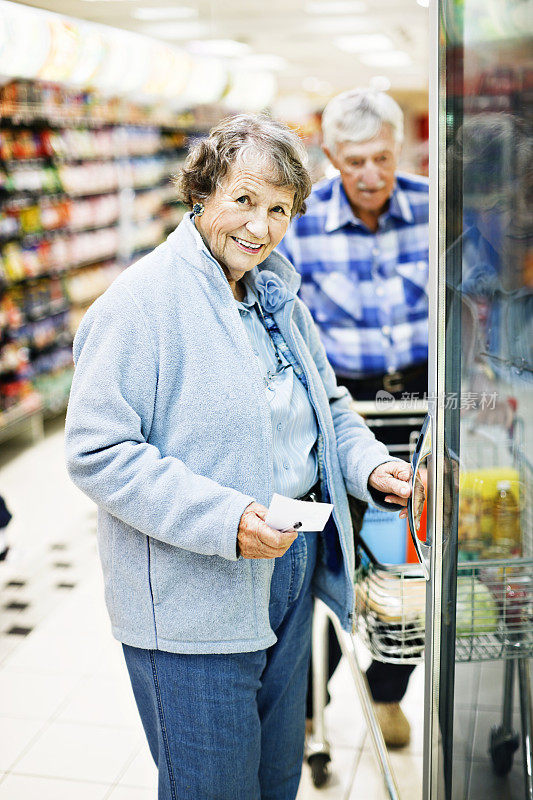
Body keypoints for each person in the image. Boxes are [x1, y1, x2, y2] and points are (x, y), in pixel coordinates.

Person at [64, 114, 413, 800]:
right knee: (213, 788)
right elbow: (97, 451)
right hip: (193, 595)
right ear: (200, 193)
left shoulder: (275, 296)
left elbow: (329, 408)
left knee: (275, 780)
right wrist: (225, 519)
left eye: (279, 209)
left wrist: (370, 467)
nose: (260, 225)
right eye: (243, 200)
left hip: (286, 571)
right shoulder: (141, 304)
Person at [277, 89, 429, 748]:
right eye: (354, 161)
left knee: (411, 566)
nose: (370, 174)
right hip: (344, 415)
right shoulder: (302, 225)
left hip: (424, 406)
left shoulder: (432, 206)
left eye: (383, 158)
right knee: (344, 566)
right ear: (331, 157)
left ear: (400, 150)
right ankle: (314, 706)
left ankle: (386, 689)